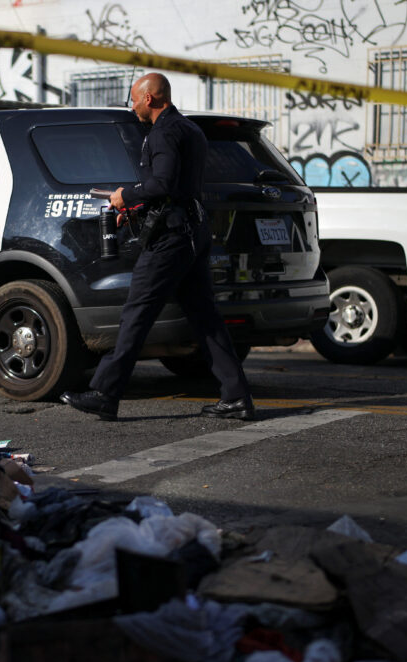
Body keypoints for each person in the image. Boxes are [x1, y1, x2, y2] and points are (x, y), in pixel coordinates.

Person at [60, 73, 254, 422]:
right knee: (205, 318)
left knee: (136, 312)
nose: (131, 106)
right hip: (193, 232)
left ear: (149, 98)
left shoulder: (163, 132)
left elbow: (162, 183)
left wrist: (126, 195)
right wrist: (137, 207)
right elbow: (176, 185)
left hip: (171, 238)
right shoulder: (190, 129)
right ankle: (237, 397)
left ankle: (105, 392)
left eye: (134, 99)